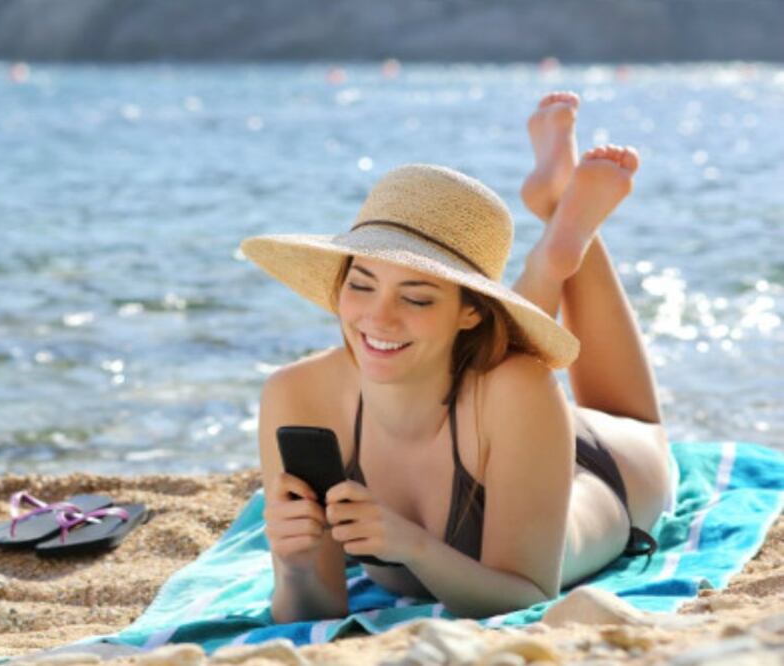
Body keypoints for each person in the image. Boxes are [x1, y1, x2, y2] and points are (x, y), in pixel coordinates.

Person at [239, 92, 673, 621]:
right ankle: (557, 237)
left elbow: (528, 594)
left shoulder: (521, 383)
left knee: (638, 424)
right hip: (490, 414)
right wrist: (295, 565)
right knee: (480, 357)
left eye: (417, 297)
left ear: (472, 309)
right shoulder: (297, 394)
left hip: (597, 467)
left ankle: (565, 242)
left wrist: (413, 546)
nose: (380, 318)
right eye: (361, 284)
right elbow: (314, 610)